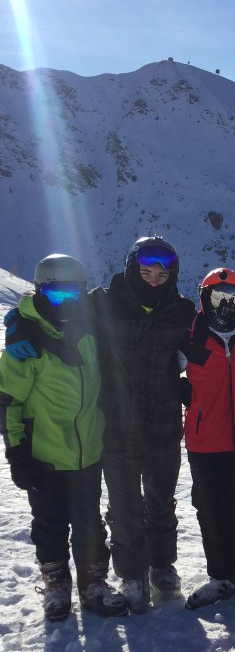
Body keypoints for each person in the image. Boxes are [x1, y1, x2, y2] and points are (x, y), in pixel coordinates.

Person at [1, 238, 196, 614]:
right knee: (123, 507)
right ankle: (131, 574)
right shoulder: (103, 303)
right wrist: (19, 326)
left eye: (162, 273)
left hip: (162, 424)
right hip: (116, 427)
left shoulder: (181, 310)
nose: (154, 280)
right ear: (130, 269)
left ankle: (161, 565)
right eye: (145, 271)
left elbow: (206, 339)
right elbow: (44, 312)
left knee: (159, 502)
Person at [0, 255, 127, 620]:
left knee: (89, 522)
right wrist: (16, 452)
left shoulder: (90, 331)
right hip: (44, 454)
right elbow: (7, 401)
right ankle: (56, 583)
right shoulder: (28, 342)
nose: (67, 304)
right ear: (40, 292)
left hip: (88, 451)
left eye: (74, 296)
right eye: (57, 297)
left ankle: (92, 583)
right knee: (50, 522)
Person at [182, 268, 235, 609]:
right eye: (217, 298)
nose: (225, 307)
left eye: (232, 299)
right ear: (204, 299)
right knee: (208, 506)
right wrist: (183, 392)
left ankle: (232, 569)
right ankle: (221, 575)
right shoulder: (193, 337)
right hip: (204, 438)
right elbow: (160, 369)